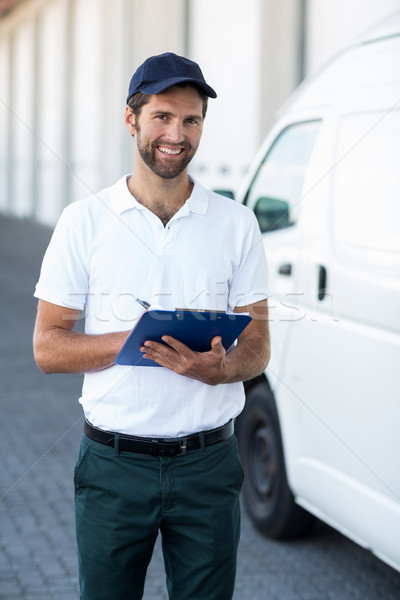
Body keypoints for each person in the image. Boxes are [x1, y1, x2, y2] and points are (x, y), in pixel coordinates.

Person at [33, 52, 270, 600]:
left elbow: (258, 344)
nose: (176, 134)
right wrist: (142, 340)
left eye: (191, 120)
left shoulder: (236, 224)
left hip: (208, 466)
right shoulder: (83, 221)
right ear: (131, 119)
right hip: (114, 468)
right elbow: (48, 347)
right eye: (162, 116)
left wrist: (222, 368)